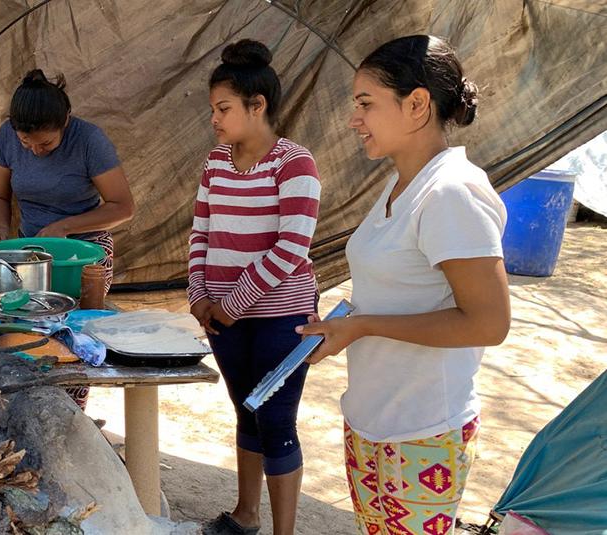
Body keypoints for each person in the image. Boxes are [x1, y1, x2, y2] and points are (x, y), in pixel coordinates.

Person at [298, 35, 510, 534]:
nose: (355, 120)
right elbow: (397, 289)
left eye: (366, 104)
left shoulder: (450, 192)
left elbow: (489, 322)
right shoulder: (402, 185)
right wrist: (346, 325)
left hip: (423, 431)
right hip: (372, 418)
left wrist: (364, 325)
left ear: (417, 104)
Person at [188, 40, 322, 535]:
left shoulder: (295, 164)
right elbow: (200, 232)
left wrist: (232, 305)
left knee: (277, 422)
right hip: (222, 317)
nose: (215, 120)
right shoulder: (216, 162)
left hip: (280, 320)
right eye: (213, 110)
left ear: (257, 105)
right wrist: (199, 296)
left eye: (223, 109)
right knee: (246, 411)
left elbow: (290, 250)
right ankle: (246, 515)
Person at [0, 69, 135, 408]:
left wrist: (66, 226)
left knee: (74, 339)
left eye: (46, 144)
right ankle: (31, 410)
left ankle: (72, 417)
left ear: (66, 121)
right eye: (27, 143)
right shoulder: (7, 137)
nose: (36, 151)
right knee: (25, 335)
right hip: (30, 252)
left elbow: (123, 206)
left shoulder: (89, 140)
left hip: (84, 255)